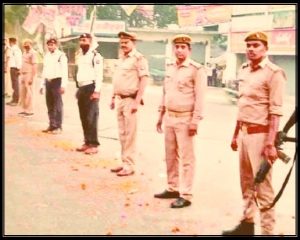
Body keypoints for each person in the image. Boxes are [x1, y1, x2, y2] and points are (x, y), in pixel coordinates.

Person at [222, 31, 286, 235]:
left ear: (265, 48)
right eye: (248, 45)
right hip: (244, 133)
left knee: (263, 187)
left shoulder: (274, 73)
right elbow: (243, 105)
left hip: (261, 136)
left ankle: (268, 231)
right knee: (246, 183)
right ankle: (247, 224)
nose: (251, 49)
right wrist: (235, 134)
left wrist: (270, 144)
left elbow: (275, 112)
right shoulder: (244, 70)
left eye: (256, 45)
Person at [154, 34, 206, 208]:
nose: (179, 50)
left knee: (187, 159)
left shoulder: (196, 69)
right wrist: (160, 115)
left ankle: (186, 194)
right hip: (170, 116)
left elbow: (200, 97)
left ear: (189, 50)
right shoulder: (170, 67)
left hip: (185, 118)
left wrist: (195, 121)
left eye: (183, 47)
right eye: (177, 47)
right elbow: (165, 92)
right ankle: (172, 187)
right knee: (170, 156)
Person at [110, 31, 149, 177]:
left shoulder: (138, 59)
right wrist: (113, 97)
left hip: (130, 100)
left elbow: (144, 80)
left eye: (126, 42)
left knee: (130, 134)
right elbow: (118, 79)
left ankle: (130, 165)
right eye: (121, 43)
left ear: (133, 42)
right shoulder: (122, 59)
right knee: (122, 134)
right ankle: (123, 162)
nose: (123, 45)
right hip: (120, 99)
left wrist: (137, 102)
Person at [75, 33, 103, 155]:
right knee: (84, 117)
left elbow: (99, 75)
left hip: (91, 87)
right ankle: (86, 141)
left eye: (85, 40)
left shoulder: (96, 56)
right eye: (81, 40)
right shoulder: (80, 55)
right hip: (82, 88)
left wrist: (97, 91)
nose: (82, 42)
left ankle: (93, 144)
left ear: (90, 42)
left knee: (91, 117)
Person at [40, 38, 68, 134]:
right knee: (50, 104)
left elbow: (65, 71)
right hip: (48, 81)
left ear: (56, 45)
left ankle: (58, 126)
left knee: (58, 105)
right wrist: (41, 84)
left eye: (52, 45)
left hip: (57, 81)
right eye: (49, 45)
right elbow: (44, 70)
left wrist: (63, 85)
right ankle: (52, 125)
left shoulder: (61, 56)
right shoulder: (47, 56)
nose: (50, 46)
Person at [17, 39, 38, 117]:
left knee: (29, 92)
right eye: (24, 43)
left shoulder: (33, 53)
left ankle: (30, 111)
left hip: (29, 74)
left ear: (31, 44)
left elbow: (34, 66)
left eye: (27, 43)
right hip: (23, 73)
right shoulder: (24, 52)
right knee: (23, 92)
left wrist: (32, 77)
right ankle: (24, 109)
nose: (26, 45)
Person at [6, 37, 22, 106]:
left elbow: (18, 59)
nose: (9, 43)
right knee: (14, 85)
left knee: (15, 85)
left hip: (15, 68)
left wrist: (19, 69)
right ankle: (13, 99)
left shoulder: (16, 50)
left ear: (12, 42)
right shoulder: (12, 49)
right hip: (13, 68)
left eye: (10, 42)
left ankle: (16, 100)